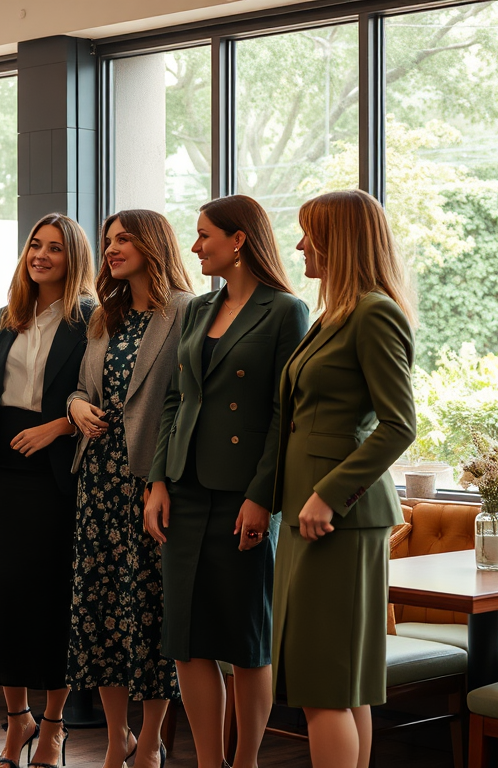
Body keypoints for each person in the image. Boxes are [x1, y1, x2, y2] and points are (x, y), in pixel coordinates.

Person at [144, 195, 309, 768]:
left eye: (205, 235)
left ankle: (246, 763)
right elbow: (174, 400)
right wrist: (158, 480)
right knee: (186, 641)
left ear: (239, 239)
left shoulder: (286, 311)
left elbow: (284, 414)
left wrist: (262, 497)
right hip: (185, 491)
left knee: (245, 643)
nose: (194, 247)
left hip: (245, 497)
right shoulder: (198, 309)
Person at [271, 189, 416, 768]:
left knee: (323, 684)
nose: (301, 245)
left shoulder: (375, 312)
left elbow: (399, 424)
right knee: (340, 684)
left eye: (311, 234)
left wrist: (328, 496)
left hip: (336, 518)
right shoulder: (336, 314)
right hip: (312, 513)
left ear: (341, 242)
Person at [0, 213, 96, 768]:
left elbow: (101, 396)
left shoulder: (92, 317)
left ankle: (53, 727)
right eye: (35, 246)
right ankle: (17, 719)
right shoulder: (6, 317)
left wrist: (58, 427)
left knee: (51, 602)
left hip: (56, 474)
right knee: (4, 597)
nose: (40, 255)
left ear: (74, 260)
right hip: (2, 473)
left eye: (55, 249)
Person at [67, 209, 194, 768]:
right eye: (108, 240)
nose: (113, 248)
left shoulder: (188, 312)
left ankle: (150, 740)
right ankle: (116, 739)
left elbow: (187, 400)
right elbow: (79, 387)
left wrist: (161, 477)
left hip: (150, 480)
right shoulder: (103, 317)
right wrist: (74, 406)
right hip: (97, 482)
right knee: (99, 612)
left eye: (124, 239)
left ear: (153, 244)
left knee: (147, 611)